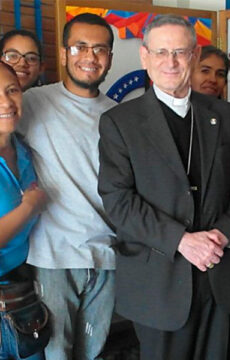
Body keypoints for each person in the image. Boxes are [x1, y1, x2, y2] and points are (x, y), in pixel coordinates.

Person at [98, 14, 230, 360]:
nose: (170, 62)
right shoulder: (119, 122)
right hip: (159, 280)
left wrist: (220, 236)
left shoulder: (222, 113)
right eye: (160, 52)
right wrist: (182, 241)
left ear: (195, 55)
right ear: (145, 57)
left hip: (217, 273)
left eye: (180, 52)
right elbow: (118, 201)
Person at [17, 13, 116, 360]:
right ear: (63, 54)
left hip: (107, 257)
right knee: (57, 352)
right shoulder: (30, 103)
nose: (90, 57)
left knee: (94, 353)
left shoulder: (121, 116)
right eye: (80, 46)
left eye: (100, 49)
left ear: (110, 59)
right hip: (52, 256)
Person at [0, 61, 47, 359]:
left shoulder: (23, 148)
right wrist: (29, 207)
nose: (5, 102)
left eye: (11, 90)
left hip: (20, 293)